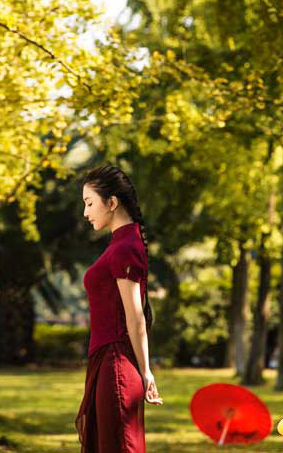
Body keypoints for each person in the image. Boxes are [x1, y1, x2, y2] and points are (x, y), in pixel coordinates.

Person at [75, 164, 163, 453]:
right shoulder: (121, 243)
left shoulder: (126, 247)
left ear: (112, 202)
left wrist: (146, 371)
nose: (86, 213)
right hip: (107, 362)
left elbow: (135, 317)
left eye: (90, 203)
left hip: (117, 367)